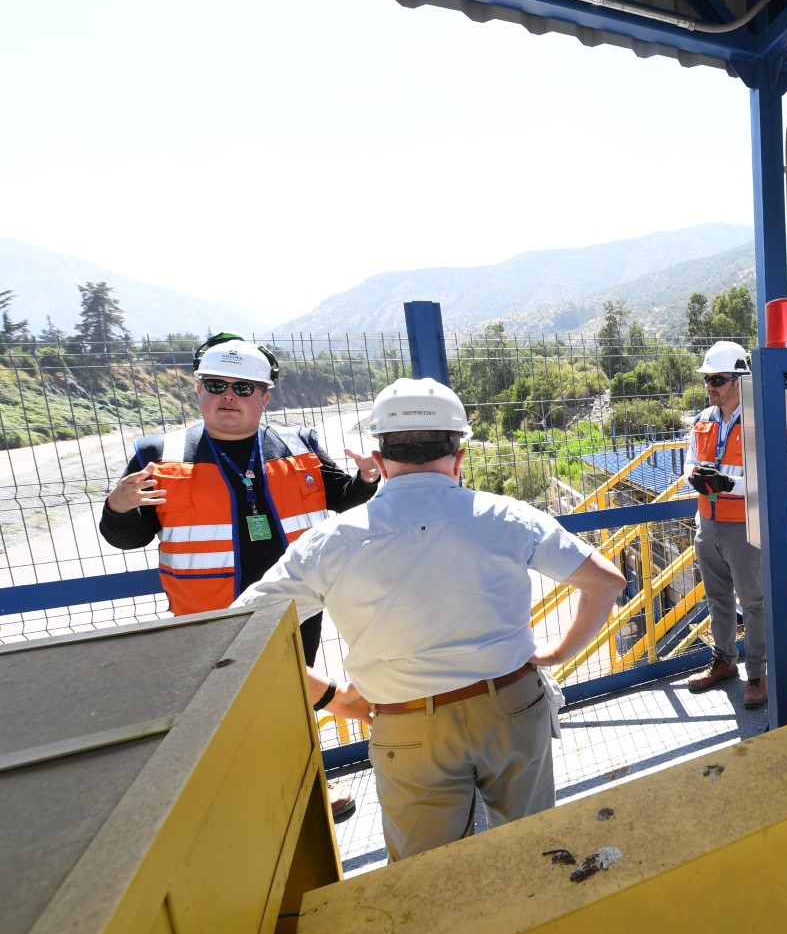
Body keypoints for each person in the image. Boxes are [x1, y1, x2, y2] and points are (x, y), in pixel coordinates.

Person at [232, 378, 625, 862]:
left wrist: (333, 697)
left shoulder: (329, 542)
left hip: (407, 726)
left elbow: (236, 636)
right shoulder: (507, 516)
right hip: (513, 706)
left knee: (426, 876)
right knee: (532, 852)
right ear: (459, 458)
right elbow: (606, 582)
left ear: (379, 462)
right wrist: (559, 653)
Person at [100, 332, 381, 820]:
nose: (228, 396)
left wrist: (366, 480)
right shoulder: (158, 454)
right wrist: (118, 507)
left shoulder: (299, 445)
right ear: (198, 390)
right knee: (222, 710)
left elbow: (340, 497)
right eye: (216, 385)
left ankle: (308, 783)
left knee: (292, 698)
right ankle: (238, 799)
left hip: (296, 605)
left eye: (243, 388)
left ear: (264, 397)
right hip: (207, 614)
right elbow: (128, 537)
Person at [683, 340, 769, 709]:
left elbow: (769, 475)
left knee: (754, 602)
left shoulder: (758, 419)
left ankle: (759, 674)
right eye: (707, 379)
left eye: (717, 379)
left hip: (744, 526)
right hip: (708, 523)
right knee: (717, 598)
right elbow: (689, 459)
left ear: (739, 380)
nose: (710, 386)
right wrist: (694, 476)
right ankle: (724, 660)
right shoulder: (703, 419)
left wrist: (728, 483)